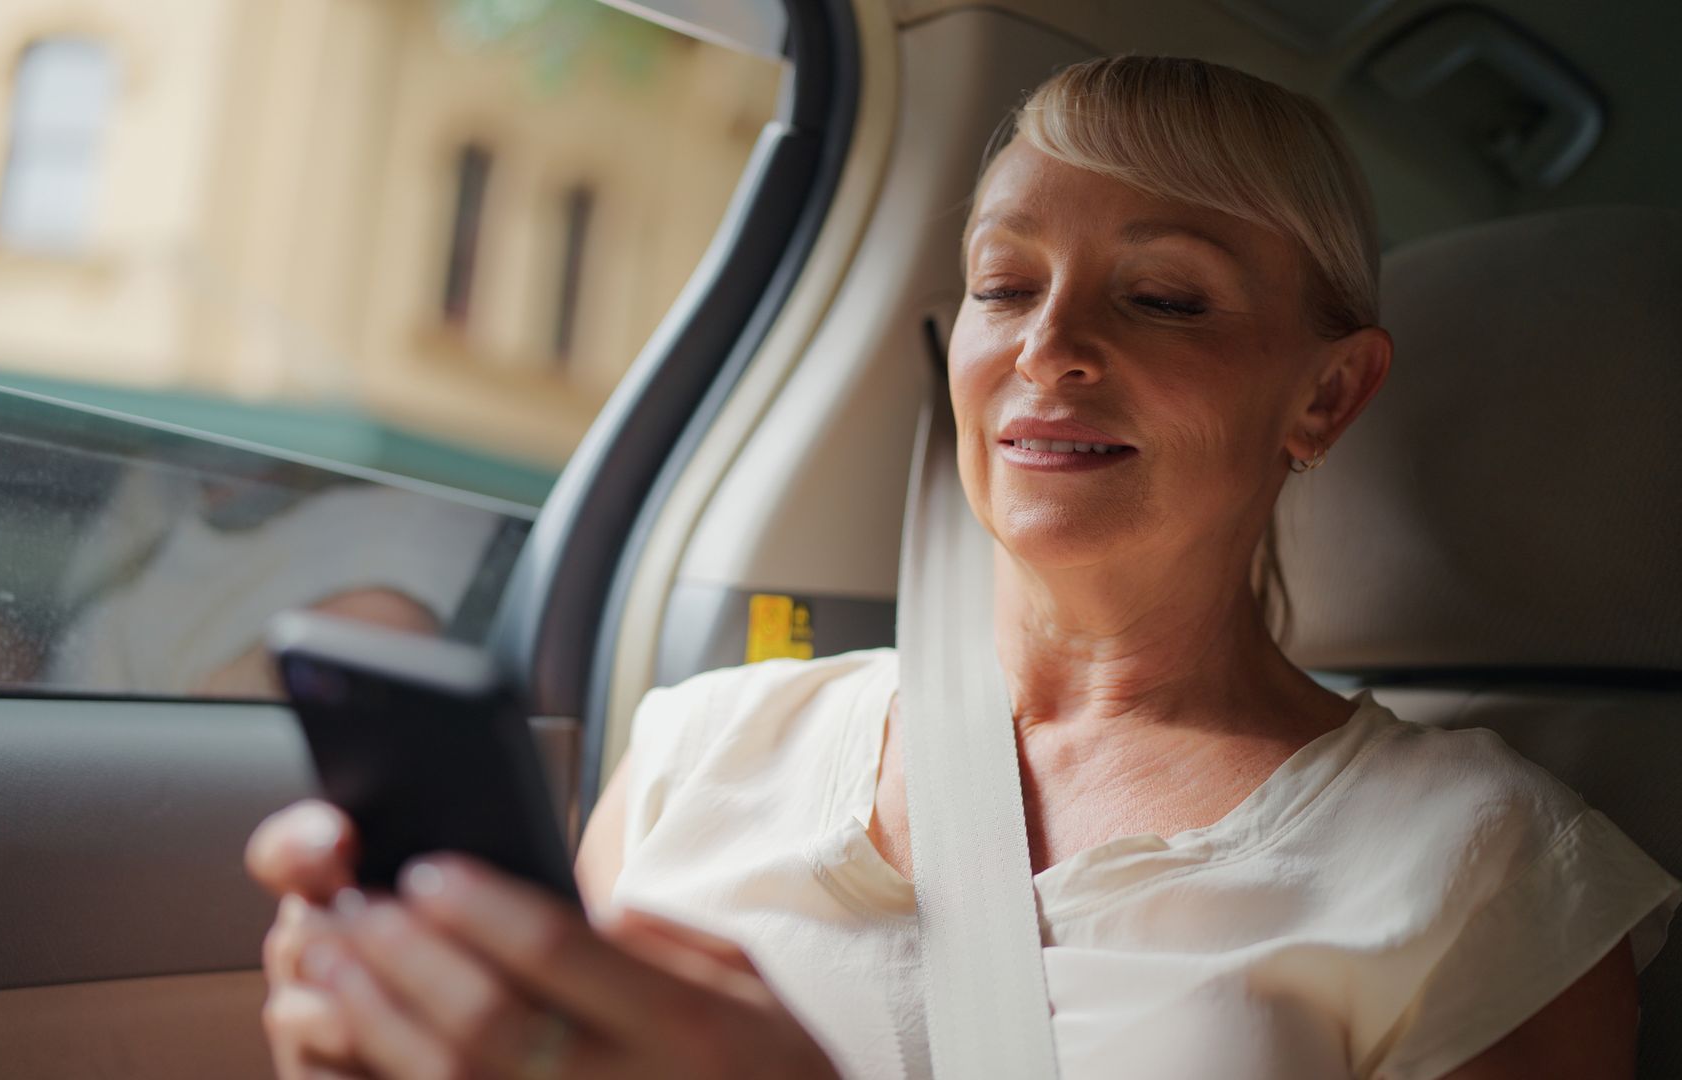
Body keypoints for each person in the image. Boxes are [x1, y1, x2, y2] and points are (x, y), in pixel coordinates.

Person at [244, 56, 1680, 1079]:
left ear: (1325, 397)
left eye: (1165, 294)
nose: (1045, 344)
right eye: (1003, 284)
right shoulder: (706, 743)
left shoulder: (1491, 874)